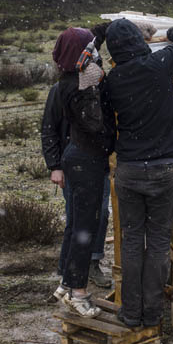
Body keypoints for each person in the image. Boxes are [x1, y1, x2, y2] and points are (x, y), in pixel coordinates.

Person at [102, 19, 173, 328]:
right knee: (157, 243)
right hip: (163, 167)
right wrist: (168, 33)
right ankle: (152, 314)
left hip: (129, 168)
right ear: (140, 41)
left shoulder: (112, 79)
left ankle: (131, 313)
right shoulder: (159, 64)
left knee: (131, 242)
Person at [41, 27, 115, 317]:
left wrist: (108, 29)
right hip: (85, 160)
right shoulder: (77, 84)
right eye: (89, 51)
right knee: (85, 226)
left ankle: (66, 282)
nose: (95, 55)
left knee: (80, 225)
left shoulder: (76, 76)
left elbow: (91, 41)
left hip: (82, 158)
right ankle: (78, 292)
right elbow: (95, 123)